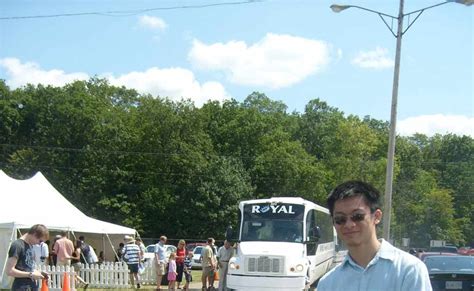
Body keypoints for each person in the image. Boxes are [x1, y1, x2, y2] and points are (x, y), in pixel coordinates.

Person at [317, 180, 432, 291]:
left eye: (357, 216)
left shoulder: (408, 270)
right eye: (340, 219)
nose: (349, 224)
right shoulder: (328, 283)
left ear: (376, 216)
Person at [5, 224, 49, 291]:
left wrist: (39, 273)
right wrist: (31, 275)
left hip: (31, 287)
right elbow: (9, 271)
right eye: (40, 241)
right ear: (34, 234)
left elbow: (27, 267)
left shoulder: (30, 245)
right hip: (21, 287)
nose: (39, 244)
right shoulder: (17, 245)